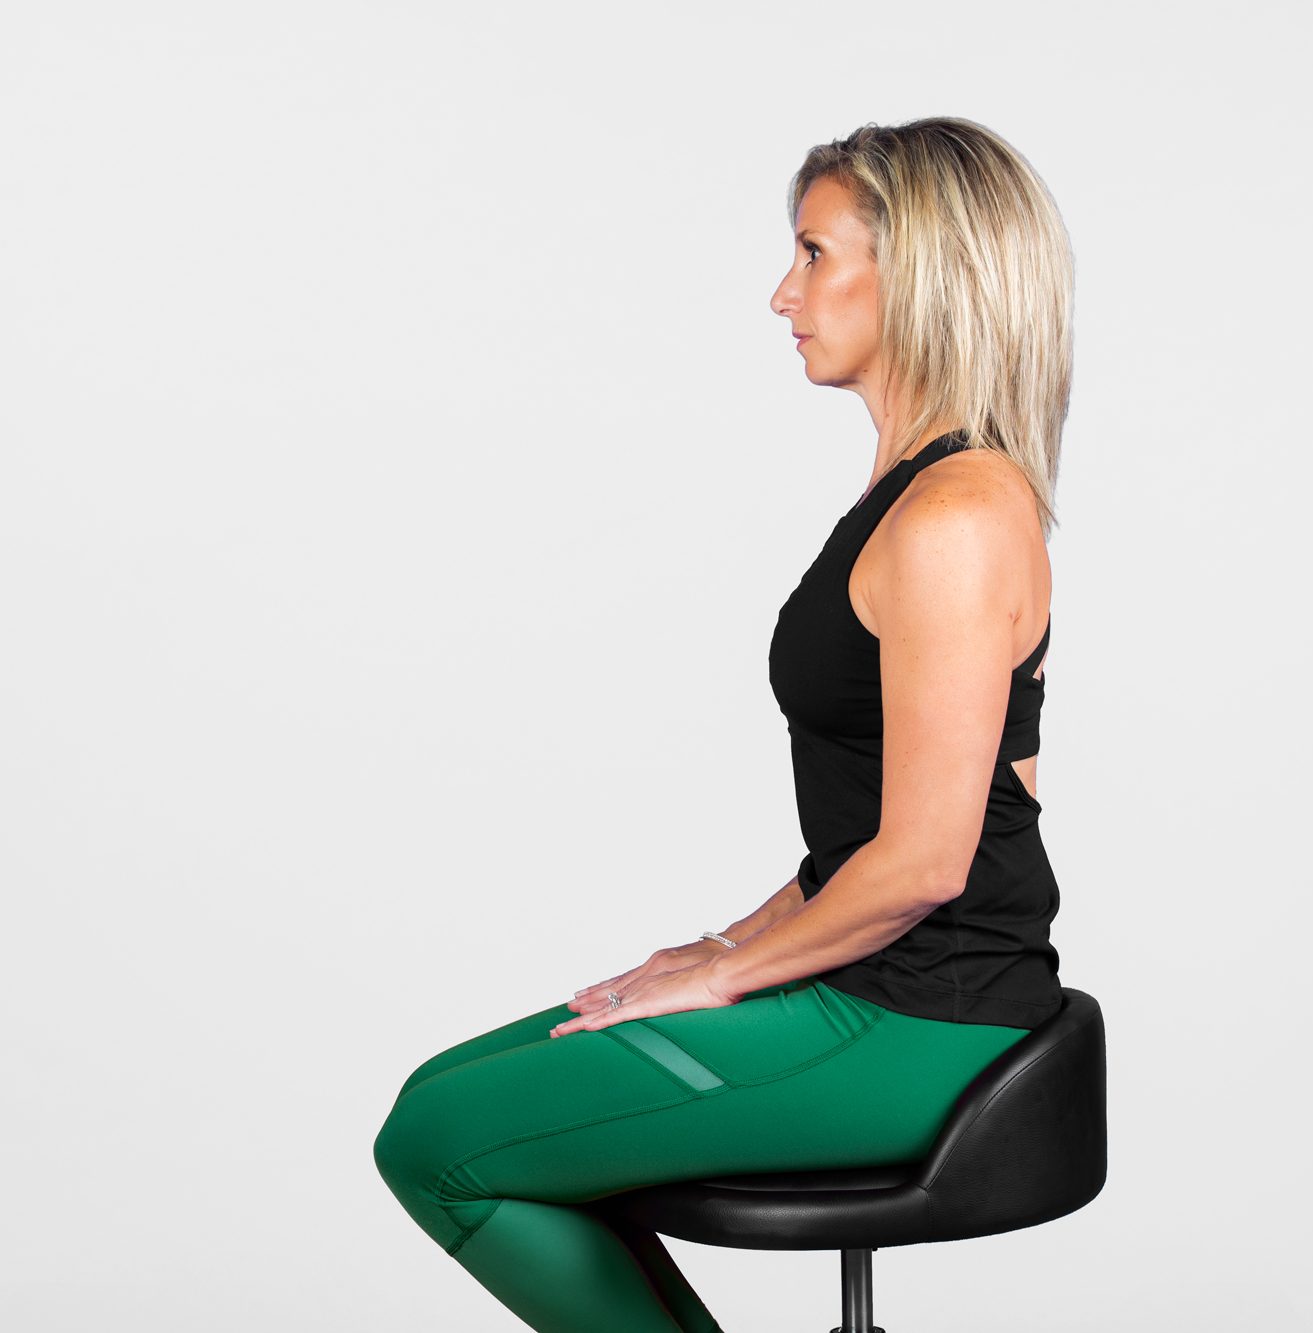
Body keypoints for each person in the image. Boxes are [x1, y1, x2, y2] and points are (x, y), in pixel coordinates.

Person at [372, 115, 1072, 1333]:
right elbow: (904, 818)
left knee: (443, 1137)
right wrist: (713, 949)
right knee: (449, 1093)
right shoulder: (917, 495)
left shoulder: (955, 514)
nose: (779, 293)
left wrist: (733, 974)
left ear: (915, 274)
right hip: (876, 985)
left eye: (812, 253)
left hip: (918, 1022)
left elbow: (923, 862)